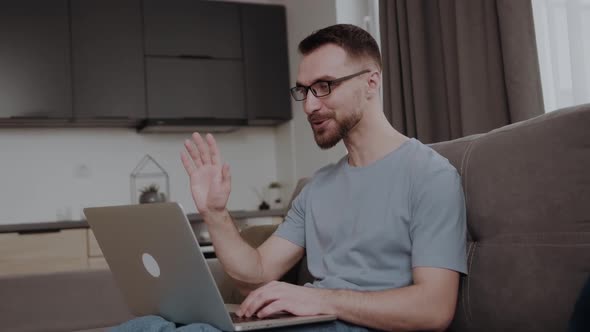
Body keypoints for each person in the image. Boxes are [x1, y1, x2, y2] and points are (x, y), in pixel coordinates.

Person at [113, 24, 467, 332]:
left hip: (367, 326)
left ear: (371, 82)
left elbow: (434, 310)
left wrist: (318, 299)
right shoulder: (319, 187)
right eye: (304, 90)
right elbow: (258, 271)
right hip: (317, 321)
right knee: (142, 326)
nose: (310, 105)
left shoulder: (430, 175)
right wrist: (215, 213)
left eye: (324, 86)